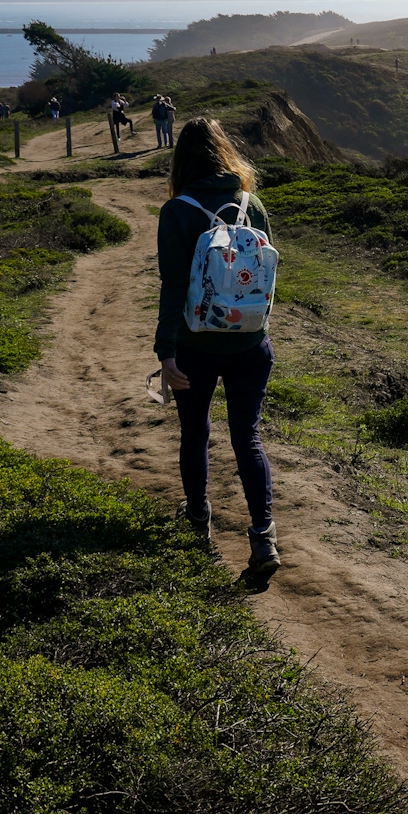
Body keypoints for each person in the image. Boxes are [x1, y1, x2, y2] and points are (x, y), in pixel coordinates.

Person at [155, 117, 280, 576]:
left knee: (196, 433)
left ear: (181, 160)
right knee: (247, 437)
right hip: (251, 342)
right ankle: (263, 538)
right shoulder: (252, 202)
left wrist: (164, 352)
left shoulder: (178, 210)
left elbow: (172, 287)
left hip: (196, 344)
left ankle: (197, 522)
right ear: (224, 152)